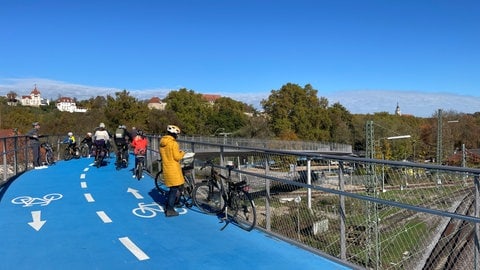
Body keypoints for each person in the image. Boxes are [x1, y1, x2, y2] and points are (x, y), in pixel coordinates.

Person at [160, 124, 185, 217]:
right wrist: (182, 153)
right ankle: (170, 209)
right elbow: (177, 157)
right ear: (174, 134)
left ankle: (170, 205)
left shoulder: (163, 142)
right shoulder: (173, 143)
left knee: (172, 188)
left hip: (167, 166)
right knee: (174, 189)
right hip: (173, 168)